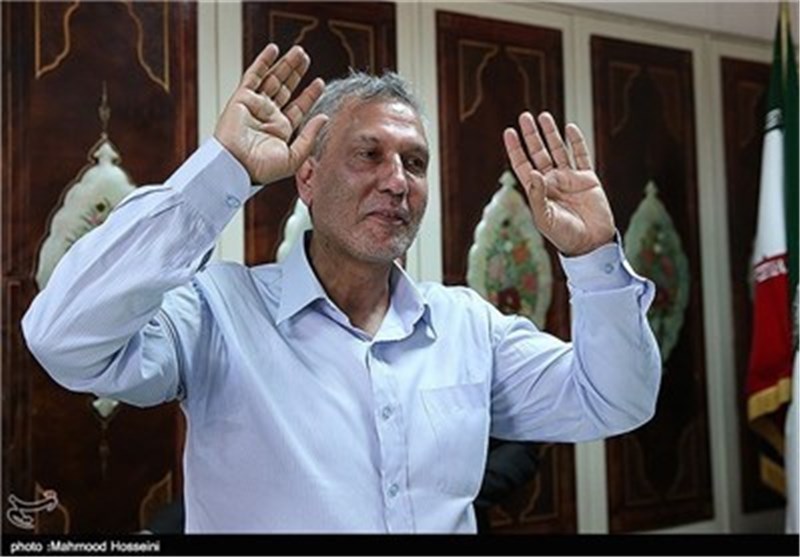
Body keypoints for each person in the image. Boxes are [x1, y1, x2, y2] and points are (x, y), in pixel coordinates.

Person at [22, 44, 661, 533]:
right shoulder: (220, 314)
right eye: (368, 154)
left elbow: (617, 400)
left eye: (414, 162)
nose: (397, 181)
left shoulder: (468, 325)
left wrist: (593, 257)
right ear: (306, 179)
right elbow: (63, 339)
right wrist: (224, 171)